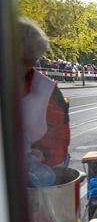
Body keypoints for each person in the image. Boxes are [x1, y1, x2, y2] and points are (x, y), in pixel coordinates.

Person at [19, 17, 70, 167]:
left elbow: (60, 139)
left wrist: (44, 154)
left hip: (36, 177)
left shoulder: (48, 90)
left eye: (31, 61)